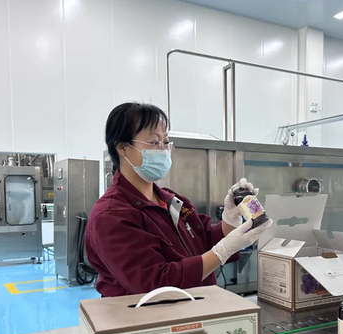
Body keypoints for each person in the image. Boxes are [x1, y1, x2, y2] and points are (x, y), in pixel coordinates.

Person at [85, 102, 271, 297]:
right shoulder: (112, 215)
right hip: (144, 313)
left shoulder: (171, 200)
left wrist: (230, 220)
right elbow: (155, 283)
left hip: (192, 306)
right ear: (123, 148)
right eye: (154, 142)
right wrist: (222, 252)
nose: (163, 150)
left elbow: (204, 241)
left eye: (166, 142)